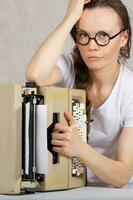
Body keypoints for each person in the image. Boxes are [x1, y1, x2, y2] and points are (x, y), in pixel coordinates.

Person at [26, 0, 133, 188]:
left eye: (103, 36)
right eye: (83, 35)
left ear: (124, 37)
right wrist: (70, 17)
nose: (92, 46)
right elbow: (36, 74)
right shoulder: (69, 67)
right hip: (66, 187)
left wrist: (80, 149)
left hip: (113, 193)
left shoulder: (129, 90)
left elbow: (122, 176)